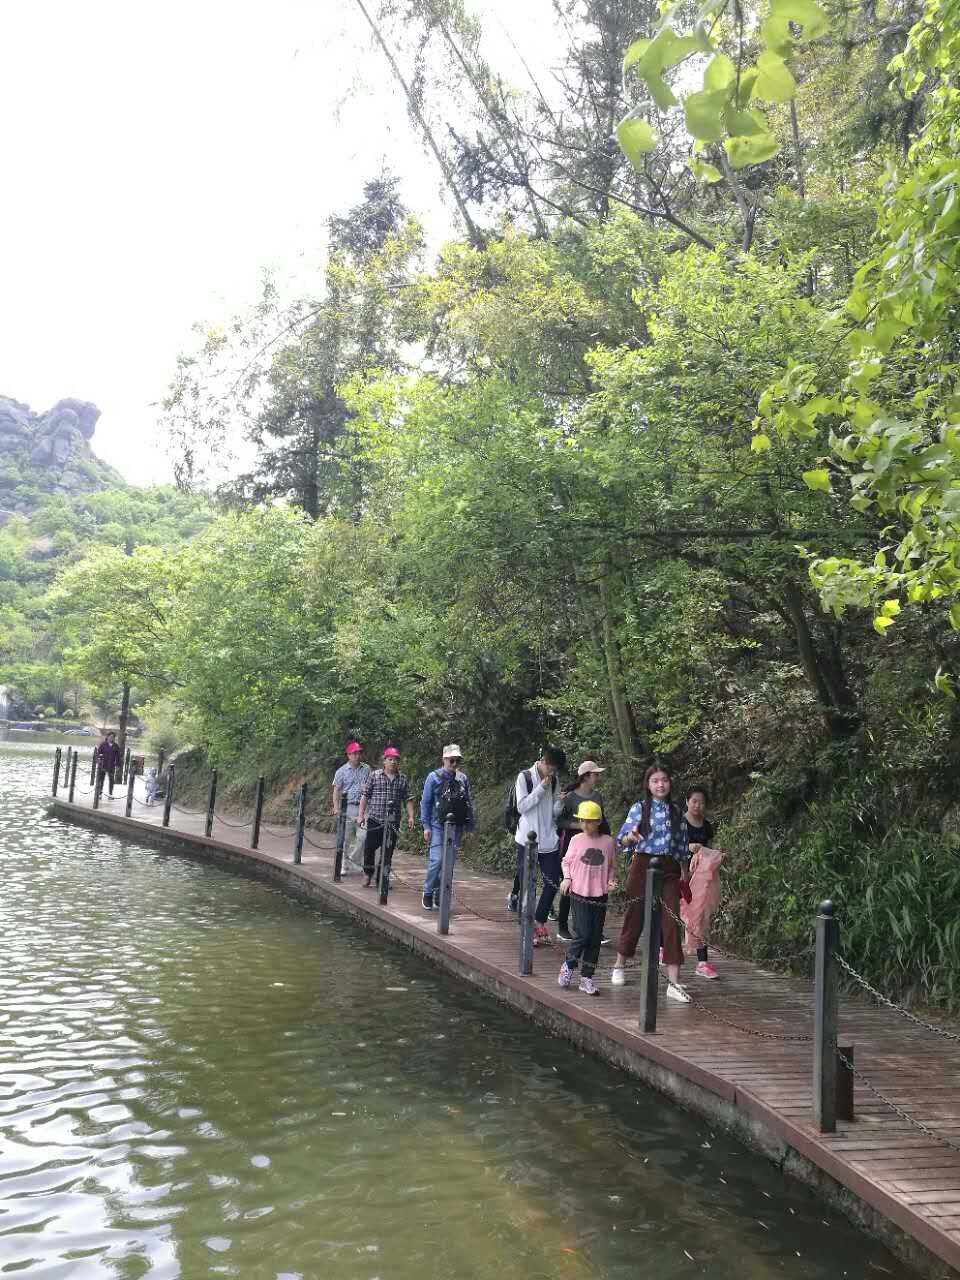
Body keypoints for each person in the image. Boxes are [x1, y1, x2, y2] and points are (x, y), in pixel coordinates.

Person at [610, 763, 692, 1002]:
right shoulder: (640, 808)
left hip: (669, 868)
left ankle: (674, 984)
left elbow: (681, 845)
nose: (660, 784)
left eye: (664, 780)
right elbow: (622, 839)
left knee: (672, 921)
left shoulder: (677, 811)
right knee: (635, 916)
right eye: (655, 780)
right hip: (643, 864)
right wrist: (631, 836)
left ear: (670, 783)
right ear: (648, 784)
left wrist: (685, 872)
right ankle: (619, 964)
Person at [557, 801, 617, 996]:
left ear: (598, 822)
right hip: (579, 893)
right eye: (582, 821)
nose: (585, 824)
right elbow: (566, 862)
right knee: (582, 933)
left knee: (594, 938)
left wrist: (611, 881)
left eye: (589, 821)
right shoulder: (576, 840)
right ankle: (569, 964)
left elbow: (611, 867)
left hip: (599, 894)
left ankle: (587, 978)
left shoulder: (608, 842)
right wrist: (567, 878)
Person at [509, 745, 567, 943]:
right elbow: (522, 806)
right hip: (527, 840)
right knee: (527, 885)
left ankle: (539, 921)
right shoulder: (524, 777)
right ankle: (527, 927)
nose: (553, 773)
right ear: (543, 761)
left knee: (552, 882)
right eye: (551, 768)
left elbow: (553, 812)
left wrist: (560, 803)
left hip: (549, 839)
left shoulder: (555, 780)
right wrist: (542, 787)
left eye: (555, 770)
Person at [555, 761, 608, 942]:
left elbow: (603, 820)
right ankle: (563, 926)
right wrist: (581, 825)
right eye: (595, 774)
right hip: (573, 842)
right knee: (570, 883)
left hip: (594, 844)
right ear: (586, 776)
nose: (598, 777)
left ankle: (596, 929)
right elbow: (560, 821)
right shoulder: (570, 797)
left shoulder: (598, 796)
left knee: (593, 884)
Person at [420, 744, 475, 911]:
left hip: (456, 827)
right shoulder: (433, 777)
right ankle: (428, 891)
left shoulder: (462, 778)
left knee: (448, 864)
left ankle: (441, 894)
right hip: (437, 825)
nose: (454, 763)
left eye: (457, 760)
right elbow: (425, 802)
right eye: (451, 760)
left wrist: (470, 825)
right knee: (437, 860)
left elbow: (468, 802)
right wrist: (426, 826)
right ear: (444, 759)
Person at [356, 747, 416, 888]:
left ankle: (382, 878)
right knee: (369, 848)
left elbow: (408, 799)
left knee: (387, 851)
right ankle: (368, 873)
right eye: (390, 759)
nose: (393, 762)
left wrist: (411, 816)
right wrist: (360, 815)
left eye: (396, 760)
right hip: (375, 819)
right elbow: (365, 796)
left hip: (392, 822)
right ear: (384, 761)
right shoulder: (374, 776)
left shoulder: (402, 779)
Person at [682, 785, 722, 979]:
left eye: (701, 802)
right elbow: (673, 847)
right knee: (677, 913)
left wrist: (717, 857)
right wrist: (688, 848)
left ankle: (702, 962)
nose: (697, 805)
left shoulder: (706, 826)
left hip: (701, 878)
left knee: (700, 917)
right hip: (680, 875)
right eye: (694, 801)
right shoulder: (680, 823)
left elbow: (710, 850)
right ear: (687, 802)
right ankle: (663, 948)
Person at [330, 742, 371, 875]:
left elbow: (371, 785)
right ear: (348, 755)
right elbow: (336, 790)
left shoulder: (366, 769)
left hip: (363, 807)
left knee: (364, 836)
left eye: (359, 753)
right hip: (347, 807)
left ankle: (353, 859)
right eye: (354, 753)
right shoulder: (341, 771)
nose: (357, 756)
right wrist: (336, 807)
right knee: (345, 839)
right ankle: (343, 864)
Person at [95, 731, 122, 798]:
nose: (111, 738)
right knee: (101, 780)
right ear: (107, 737)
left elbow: (118, 757)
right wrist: (99, 760)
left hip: (111, 765)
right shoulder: (103, 744)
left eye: (113, 737)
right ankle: (100, 793)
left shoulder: (116, 746)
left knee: (111, 780)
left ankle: (110, 794)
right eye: (110, 737)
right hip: (103, 765)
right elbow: (98, 754)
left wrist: (118, 765)